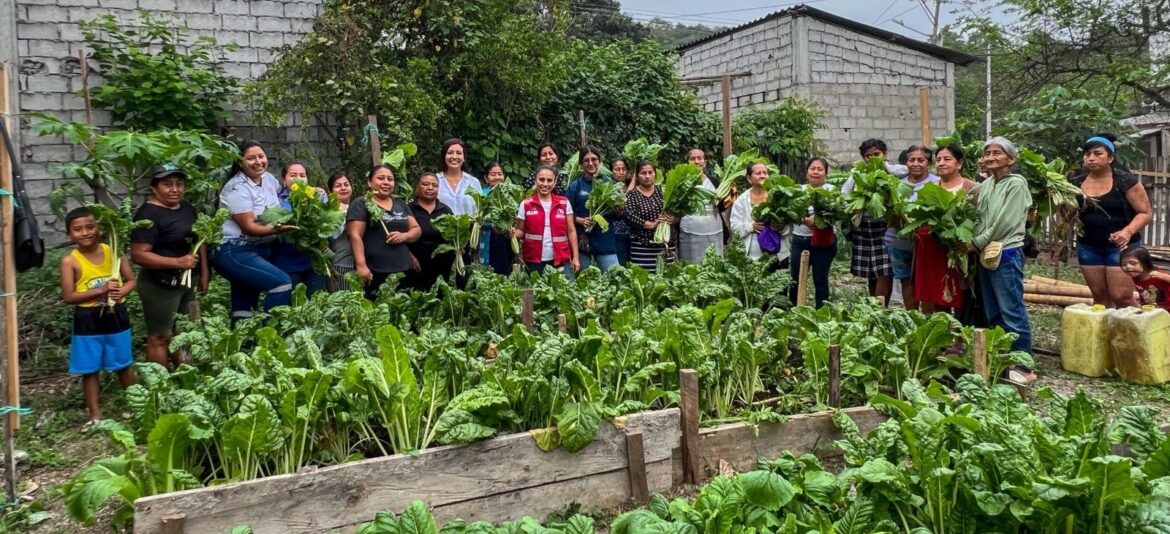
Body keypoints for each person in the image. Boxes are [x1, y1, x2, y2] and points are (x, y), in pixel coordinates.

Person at [963, 136, 1034, 383]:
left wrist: (977, 241)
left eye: (997, 153)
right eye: (988, 153)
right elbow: (981, 217)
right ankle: (1003, 356)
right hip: (987, 253)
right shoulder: (988, 185)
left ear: (1011, 159)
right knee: (992, 308)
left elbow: (1004, 222)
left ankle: (1024, 364)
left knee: (1011, 307)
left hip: (1006, 250)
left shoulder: (1016, 184)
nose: (991, 157)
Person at [60, 207, 136, 425]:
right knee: (89, 368)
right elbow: (68, 296)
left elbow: (131, 280)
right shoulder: (70, 261)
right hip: (87, 318)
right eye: (78, 229)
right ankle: (94, 415)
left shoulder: (114, 252)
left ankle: (135, 406)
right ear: (69, 234)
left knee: (123, 363)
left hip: (117, 315)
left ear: (100, 228)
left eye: (90, 227)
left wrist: (123, 291)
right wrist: (100, 291)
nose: (85, 233)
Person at [130, 164, 207, 370]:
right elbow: (138, 255)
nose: (175, 189)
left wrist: (204, 275)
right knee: (160, 336)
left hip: (187, 282)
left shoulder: (187, 208)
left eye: (179, 184)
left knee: (185, 332)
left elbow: (200, 241)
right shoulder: (148, 214)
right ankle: (160, 386)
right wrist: (178, 262)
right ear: (154, 188)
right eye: (167, 184)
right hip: (159, 286)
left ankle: (186, 378)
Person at [212, 141, 298, 323]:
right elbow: (249, 226)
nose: (258, 161)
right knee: (281, 283)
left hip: (259, 249)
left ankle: (245, 347)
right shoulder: (236, 188)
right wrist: (277, 229)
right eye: (250, 158)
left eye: (261, 156)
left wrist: (313, 192)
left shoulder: (268, 179)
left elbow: (285, 195)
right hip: (235, 250)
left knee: (244, 306)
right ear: (240, 162)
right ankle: (272, 335)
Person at [1073, 133, 1152, 308]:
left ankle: (1134, 334)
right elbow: (1069, 213)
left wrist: (1127, 232)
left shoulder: (1126, 181)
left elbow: (1145, 212)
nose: (1091, 158)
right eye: (1087, 154)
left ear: (1111, 157)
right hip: (1088, 246)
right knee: (1100, 298)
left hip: (1123, 247)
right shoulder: (1075, 183)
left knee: (1122, 297)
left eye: (1098, 153)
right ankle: (1106, 335)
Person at [913, 145, 978, 315]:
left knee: (960, 289)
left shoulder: (973, 188)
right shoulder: (929, 188)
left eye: (947, 159)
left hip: (960, 249)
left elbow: (980, 219)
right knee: (937, 289)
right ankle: (944, 329)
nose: (941, 163)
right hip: (932, 249)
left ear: (959, 163)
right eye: (939, 160)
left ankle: (959, 333)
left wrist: (971, 242)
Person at [841, 139, 904, 304]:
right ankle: (873, 307)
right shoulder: (857, 175)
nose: (872, 159)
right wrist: (852, 205)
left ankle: (880, 308)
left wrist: (888, 171)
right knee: (871, 273)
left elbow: (907, 172)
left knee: (885, 272)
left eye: (877, 154)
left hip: (885, 230)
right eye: (868, 156)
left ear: (885, 155)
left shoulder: (892, 172)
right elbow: (844, 195)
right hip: (863, 231)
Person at [347, 165, 420, 300]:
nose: (386, 182)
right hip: (375, 270)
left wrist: (404, 236)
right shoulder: (361, 203)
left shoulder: (400, 203)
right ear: (369, 182)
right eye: (381, 178)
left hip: (402, 268)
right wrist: (361, 265)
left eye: (390, 179)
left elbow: (416, 230)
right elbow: (354, 235)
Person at [885, 145, 941, 311]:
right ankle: (912, 318)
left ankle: (927, 320)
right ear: (906, 163)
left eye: (921, 160)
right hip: (897, 241)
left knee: (927, 282)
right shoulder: (896, 185)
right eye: (912, 160)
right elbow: (887, 216)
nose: (916, 163)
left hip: (927, 243)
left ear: (928, 164)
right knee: (906, 281)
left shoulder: (937, 184)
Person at [271, 161, 326, 295]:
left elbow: (326, 222)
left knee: (317, 304)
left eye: (302, 175)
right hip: (287, 262)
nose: (298, 179)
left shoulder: (316, 197)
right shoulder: (276, 200)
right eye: (293, 175)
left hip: (314, 261)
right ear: (284, 179)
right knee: (293, 304)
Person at [788, 158, 836, 307]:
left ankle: (821, 313)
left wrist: (820, 220)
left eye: (820, 169)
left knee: (820, 279)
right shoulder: (798, 190)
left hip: (824, 243)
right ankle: (793, 309)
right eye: (812, 168)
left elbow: (838, 213)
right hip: (800, 240)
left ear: (826, 173)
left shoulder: (832, 191)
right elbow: (789, 211)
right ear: (807, 172)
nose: (815, 172)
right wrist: (803, 219)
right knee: (795, 278)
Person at [516, 165, 580, 275]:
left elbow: (571, 231)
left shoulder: (564, 203)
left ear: (555, 183)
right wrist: (511, 233)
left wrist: (576, 257)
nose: (545, 184)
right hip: (533, 259)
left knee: (564, 291)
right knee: (536, 292)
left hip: (560, 259)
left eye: (549, 180)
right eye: (541, 179)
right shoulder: (525, 204)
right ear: (535, 181)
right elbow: (521, 231)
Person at [566, 146, 619, 272]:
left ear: (599, 161)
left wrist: (619, 211)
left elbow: (617, 215)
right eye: (586, 160)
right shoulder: (575, 186)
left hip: (605, 241)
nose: (590, 163)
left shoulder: (610, 184)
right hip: (582, 242)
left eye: (594, 159)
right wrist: (580, 220)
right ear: (581, 164)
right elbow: (565, 212)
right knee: (584, 284)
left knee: (615, 278)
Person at [730, 162, 790, 267]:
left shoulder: (779, 196)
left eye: (765, 173)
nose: (762, 175)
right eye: (758, 173)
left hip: (778, 255)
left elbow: (790, 226)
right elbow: (734, 228)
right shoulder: (741, 200)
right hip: (751, 258)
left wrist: (782, 227)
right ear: (749, 178)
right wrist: (751, 226)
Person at [403, 172, 457, 291]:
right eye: (425, 184)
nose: (430, 188)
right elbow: (400, 236)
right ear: (418, 186)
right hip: (415, 265)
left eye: (434, 185)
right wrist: (409, 256)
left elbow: (454, 235)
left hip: (442, 265)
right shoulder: (408, 208)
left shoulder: (445, 210)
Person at [625, 161, 678, 269]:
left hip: (665, 246)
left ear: (655, 174)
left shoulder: (663, 191)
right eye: (643, 173)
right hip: (642, 246)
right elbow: (628, 215)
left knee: (668, 278)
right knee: (643, 279)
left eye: (650, 172)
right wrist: (650, 224)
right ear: (637, 176)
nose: (647, 176)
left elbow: (677, 211)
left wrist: (674, 219)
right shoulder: (632, 194)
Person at [679, 148, 724, 262]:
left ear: (705, 162)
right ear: (687, 162)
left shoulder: (715, 181)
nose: (697, 161)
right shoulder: (681, 182)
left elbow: (723, 206)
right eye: (692, 159)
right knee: (691, 264)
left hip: (714, 229)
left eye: (700, 158)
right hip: (689, 231)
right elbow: (677, 206)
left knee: (714, 263)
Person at [478, 162, 516, 274]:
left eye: (500, 174)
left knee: (506, 268)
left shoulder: (511, 193)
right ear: (486, 178)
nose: (497, 177)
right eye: (493, 174)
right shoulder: (482, 195)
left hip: (506, 236)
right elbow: (478, 218)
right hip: (488, 235)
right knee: (488, 270)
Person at [327, 171, 355, 291]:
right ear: (331, 191)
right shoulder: (329, 212)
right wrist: (344, 215)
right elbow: (332, 235)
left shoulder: (357, 207)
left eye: (346, 184)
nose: (343, 188)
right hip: (340, 266)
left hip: (359, 265)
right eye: (338, 186)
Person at [1121, 246, 1170, 311]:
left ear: (1144, 262)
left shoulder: (1156, 275)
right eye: (1124, 264)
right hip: (1151, 310)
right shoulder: (1136, 277)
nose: (1127, 267)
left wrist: (1161, 276)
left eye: (1133, 263)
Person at [610, 157, 632, 265]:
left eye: (624, 169)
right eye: (617, 169)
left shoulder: (633, 186)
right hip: (616, 234)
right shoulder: (609, 188)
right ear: (611, 171)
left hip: (633, 234)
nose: (621, 172)